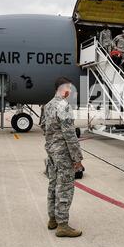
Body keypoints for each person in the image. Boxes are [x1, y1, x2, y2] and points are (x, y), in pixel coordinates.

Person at [43, 77, 84, 237]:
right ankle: (62, 225)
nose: (71, 91)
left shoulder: (48, 105)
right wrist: (77, 158)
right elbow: (70, 135)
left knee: (53, 184)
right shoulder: (63, 106)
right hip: (63, 153)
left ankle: (52, 219)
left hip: (52, 152)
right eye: (70, 88)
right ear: (63, 88)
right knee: (65, 187)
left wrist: (50, 148)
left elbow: (44, 128)